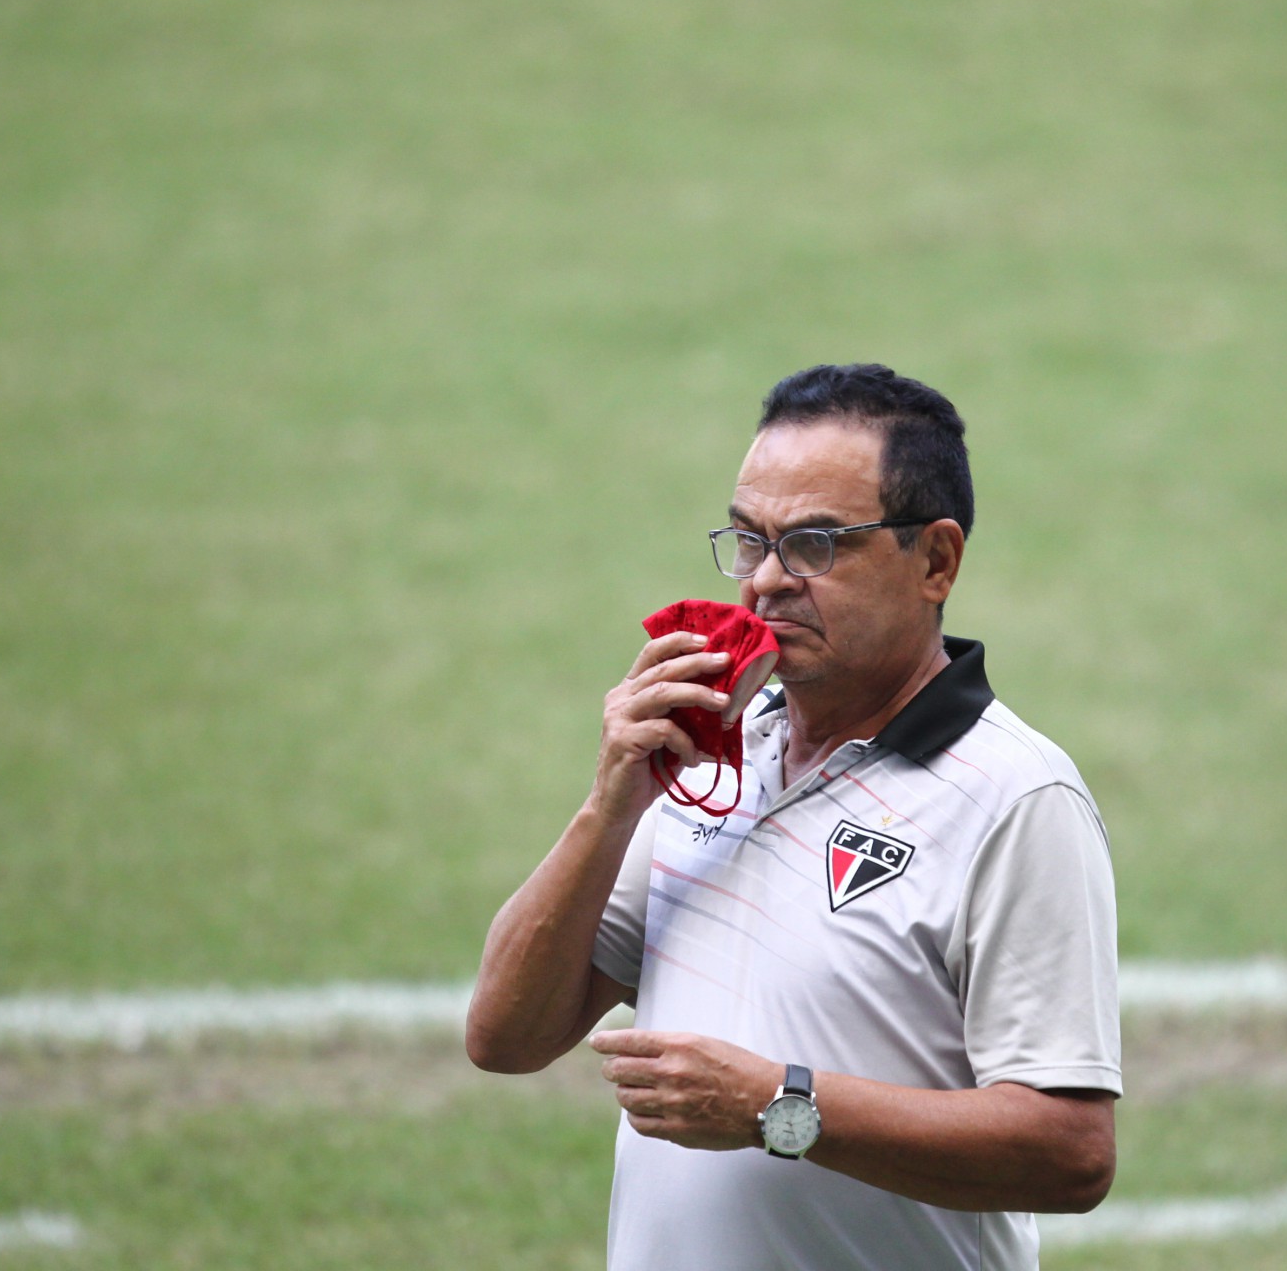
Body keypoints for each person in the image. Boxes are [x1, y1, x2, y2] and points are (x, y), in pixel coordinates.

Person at [467, 364, 1123, 1270]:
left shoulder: (1015, 798)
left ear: (936, 561)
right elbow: (505, 1035)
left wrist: (781, 1108)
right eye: (748, 540)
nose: (766, 583)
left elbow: (1069, 1154)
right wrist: (612, 800)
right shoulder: (708, 759)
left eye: (815, 544)